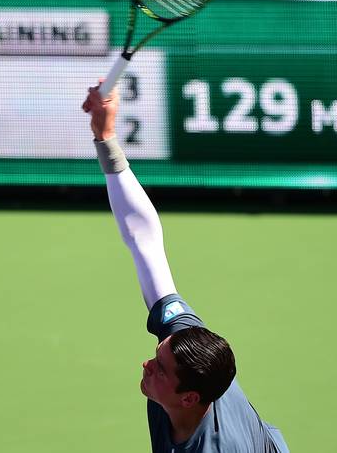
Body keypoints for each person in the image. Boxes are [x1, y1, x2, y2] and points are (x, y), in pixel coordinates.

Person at [82, 84, 290, 453]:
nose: (147, 364)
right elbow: (145, 239)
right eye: (158, 355)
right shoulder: (187, 348)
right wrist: (106, 137)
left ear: (189, 398)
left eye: (160, 368)